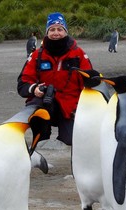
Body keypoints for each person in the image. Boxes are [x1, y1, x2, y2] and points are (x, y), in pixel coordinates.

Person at [17, 12, 93, 146]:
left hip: (70, 106)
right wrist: (34, 89)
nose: (56, 33)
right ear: (47, 33)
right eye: (52, 29)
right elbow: (22, 84)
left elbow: (90, 83)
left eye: (60, 29)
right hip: (45, 102)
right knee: (36, 109)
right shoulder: (37, 55)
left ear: (65, 32)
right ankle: (41, 139)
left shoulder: (78, 54)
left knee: (70, 141)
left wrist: (85, 107)